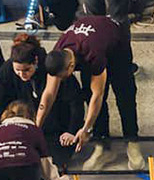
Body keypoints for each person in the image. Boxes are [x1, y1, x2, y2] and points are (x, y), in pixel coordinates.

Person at [49, 15, 143, 171]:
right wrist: (36, 127)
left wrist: (85, 129)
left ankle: (132, 142)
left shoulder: (92, 52)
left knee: (124, 94)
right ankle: (103, 147)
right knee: (87, 92)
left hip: (117, 46)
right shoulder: (58, 52)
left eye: (65, 76)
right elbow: (49, 93)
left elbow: (97, 96)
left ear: (71, 66)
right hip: (91, 44)